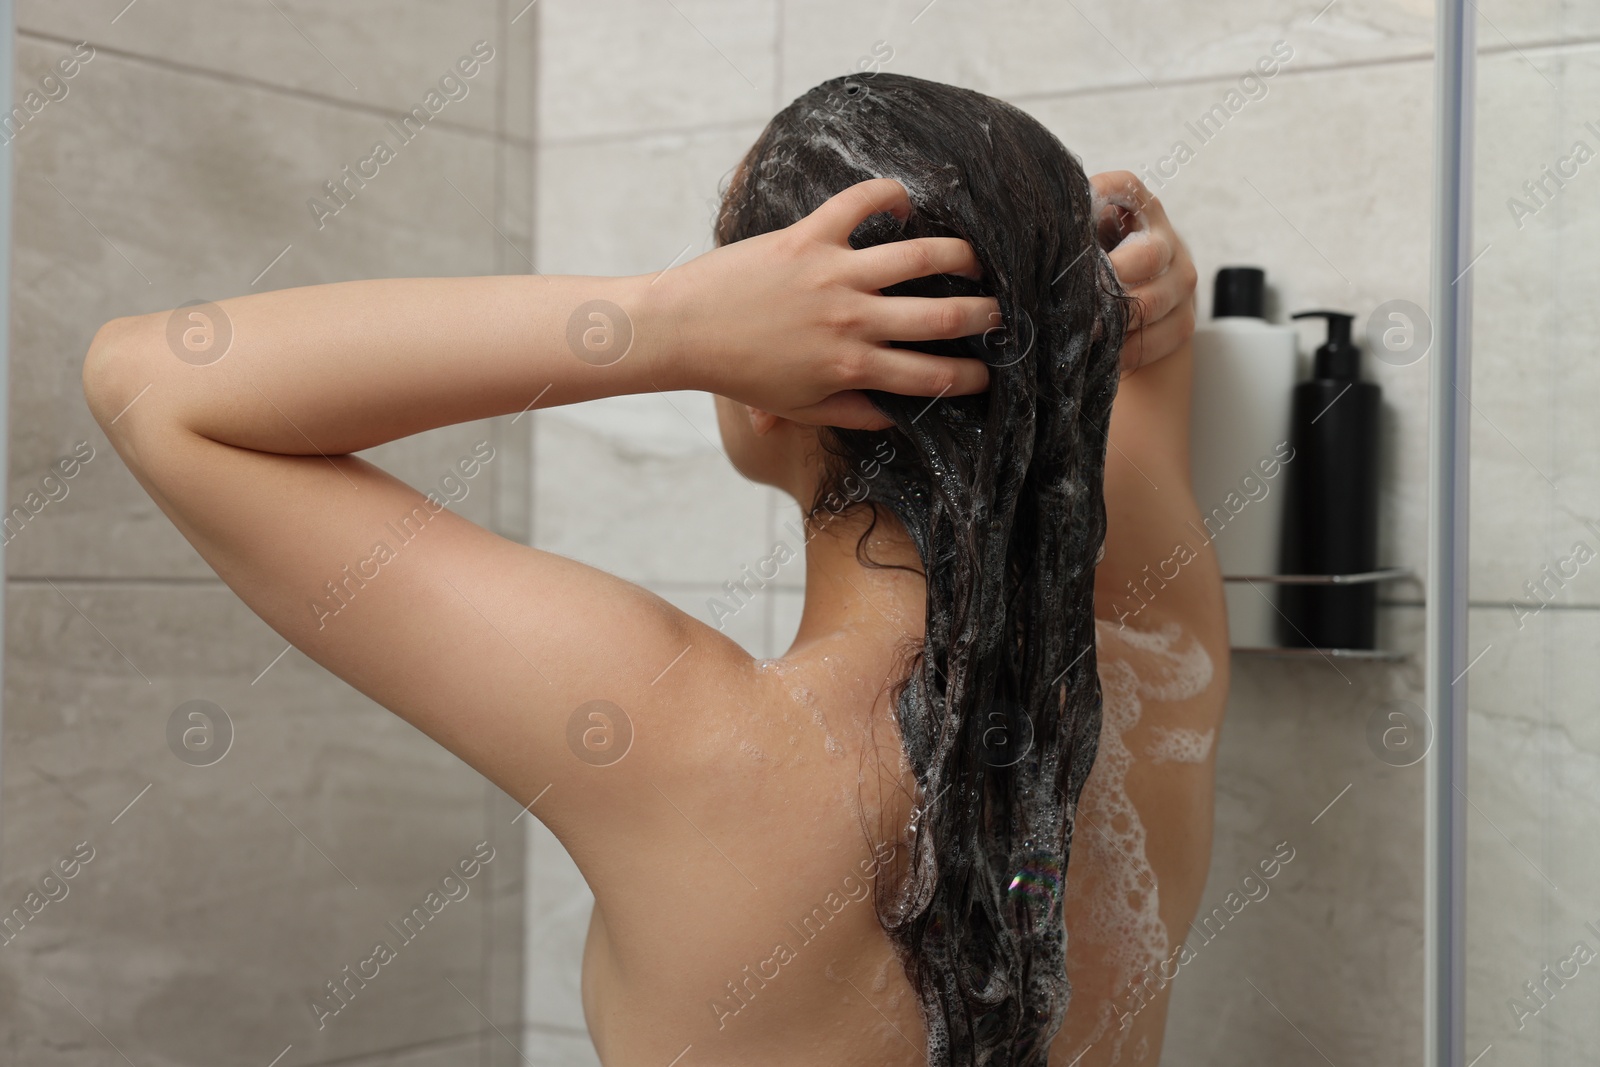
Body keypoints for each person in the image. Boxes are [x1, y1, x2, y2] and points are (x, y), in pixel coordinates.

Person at [82, 71, 1225, 1067]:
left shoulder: (680, 734)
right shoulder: (1157, 660)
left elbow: (152, 382)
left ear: (767, 382)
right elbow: (1111, 424)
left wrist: (658, 320)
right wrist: (1126, 316)